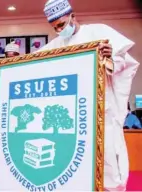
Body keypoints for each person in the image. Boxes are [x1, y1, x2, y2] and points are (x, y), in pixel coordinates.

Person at [40, 0, 140, 190]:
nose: (59, 30)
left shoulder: (98, 32)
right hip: (73, 118)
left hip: (102, 112)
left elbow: (124, 63)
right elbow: (29, 66)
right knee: (75, 163)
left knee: (109, 160)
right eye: (55, 28)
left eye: (61, 24)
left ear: (72, 16)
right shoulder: (55, 45)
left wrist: (110, 57)